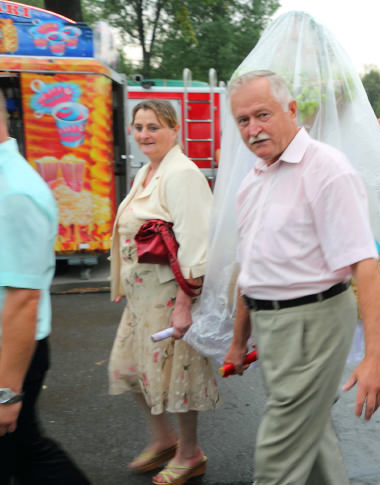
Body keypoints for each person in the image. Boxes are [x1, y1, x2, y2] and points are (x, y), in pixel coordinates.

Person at [223, 70, 380, 485]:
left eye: (262, 114)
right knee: (311, 441)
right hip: (272, 327)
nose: (253, 129)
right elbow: (251, 269)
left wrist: (377, 356)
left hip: (314, 325)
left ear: (292, 110)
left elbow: (364, 265)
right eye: (243, 120)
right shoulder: (253, 179)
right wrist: (239, 339)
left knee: (277, 458)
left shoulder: (327, 170)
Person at [108, 100, 218, 485]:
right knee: (129, 370)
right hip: (142, 298)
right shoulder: (148, 170)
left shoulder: (181, 173)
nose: (144, 135)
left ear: (175, 130)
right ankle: (164, 439)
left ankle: (190, 453)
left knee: (177, 378)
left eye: (153, 127)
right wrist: (123, 281)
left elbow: (197, 244)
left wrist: (185, 305)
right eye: (138, 127)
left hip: (171, 297)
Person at [0, 90, 90, 485]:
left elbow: (23, 299)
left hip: (11, 353)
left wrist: (6, 393)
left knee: (24, 455)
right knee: (24, 454)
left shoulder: (14, 192)